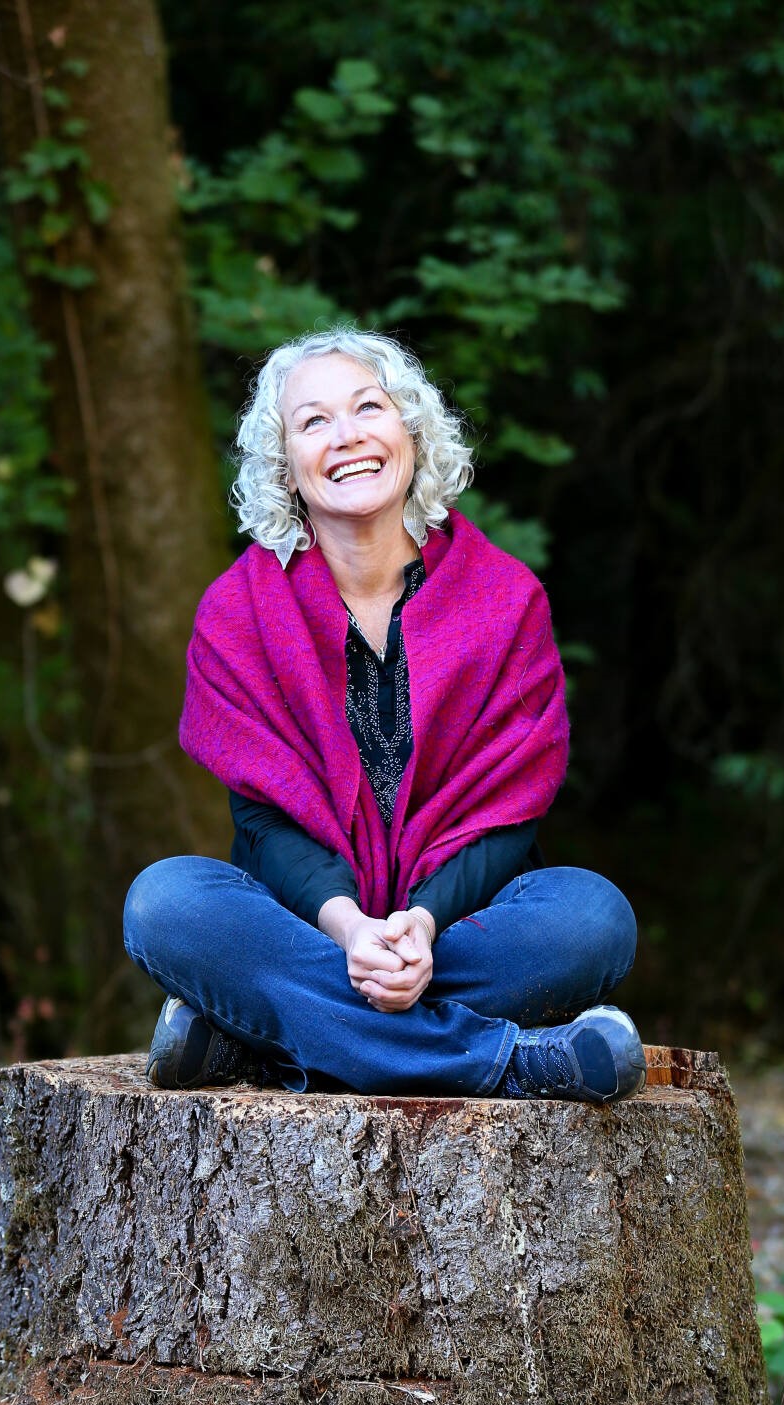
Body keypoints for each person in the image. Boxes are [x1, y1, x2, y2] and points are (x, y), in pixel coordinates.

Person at [123, 328, 645, 1103]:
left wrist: (422, 927)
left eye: (369, 407)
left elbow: (509, 817)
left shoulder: (504, 599)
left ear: (412, 430)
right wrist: (349, 929)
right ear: (284, 463)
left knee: (593, 918)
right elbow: (264, 825)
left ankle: (266, 1045)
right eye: (314, 422)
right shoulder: (237, 612)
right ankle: (509, 1064)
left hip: (462, 929)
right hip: (307, 928)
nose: (348, 437)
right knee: (165, 903)